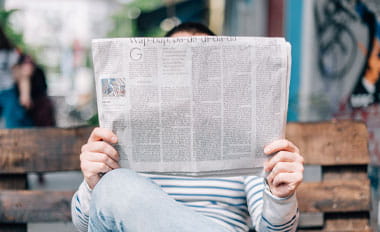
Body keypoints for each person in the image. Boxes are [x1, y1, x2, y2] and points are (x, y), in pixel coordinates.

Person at [72, 22, 304, 232]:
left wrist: (281, 197)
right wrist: (93, 184)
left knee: (117, 185)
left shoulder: (246, 140)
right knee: (116, 185)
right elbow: (86, 225)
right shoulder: (120, 141)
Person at [0, 26, 33, 128]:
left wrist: (25, 95)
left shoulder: (8, 53)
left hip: (7, 92)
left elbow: (21, 77)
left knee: (12, 122)